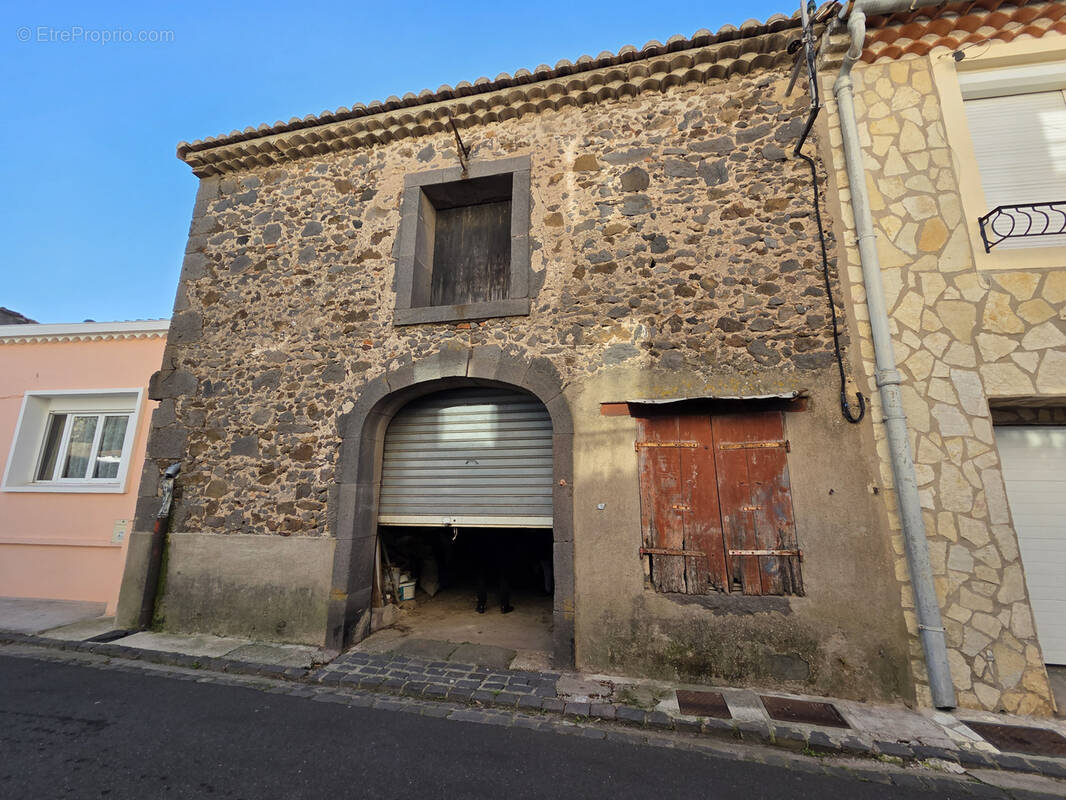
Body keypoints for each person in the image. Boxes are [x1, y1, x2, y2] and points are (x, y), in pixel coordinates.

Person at [469, 529, 513, 614]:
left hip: (483, 551)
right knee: (503, 577)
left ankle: (481, 605)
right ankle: (504, 605)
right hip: (499, 550)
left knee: (481, 577)